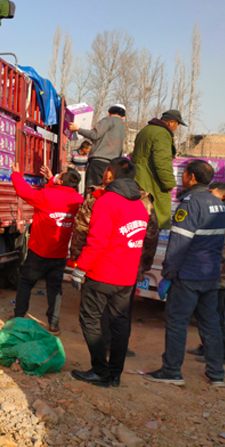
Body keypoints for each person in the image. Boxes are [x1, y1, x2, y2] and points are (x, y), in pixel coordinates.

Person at [143, 160, 225, 387]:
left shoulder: (190, 204)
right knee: (210, 322)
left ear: (191, 177)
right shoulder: (219, 204)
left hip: (189, 275)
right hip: (210, 274)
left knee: (177, 322)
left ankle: (171, 371)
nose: (181, 178)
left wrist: (168, 274)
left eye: (184, 174)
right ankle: (216, 373)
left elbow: (179, 243)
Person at [69, 158, 151, 387]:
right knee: (120, 324)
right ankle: (115, 374)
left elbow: (97, 241)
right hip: (127, 276)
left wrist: (80, 268)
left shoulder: (107, 201)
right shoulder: (140, 204)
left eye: (106, 170)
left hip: (103, 273)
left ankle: (100, 371)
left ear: (110, 174)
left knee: (90, 319)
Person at [10, 164, 83, 333]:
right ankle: (54, 323)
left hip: (39, 251)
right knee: (55, 289)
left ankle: (18, 316)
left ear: (61, 181)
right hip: (60, 253)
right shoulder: (78, 200)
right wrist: (52, 179)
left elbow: (24, 192)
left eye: (59, 175)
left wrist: (16, 174)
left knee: (26, 283)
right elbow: (61, 192)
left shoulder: (46, 196)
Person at [187, 181, 225, 365]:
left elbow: (219, 242)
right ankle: (207, 346)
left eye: (211, 192)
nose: (208, 195)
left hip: (224, 273)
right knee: (207, 312)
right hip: (217, 271)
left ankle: (221, 354)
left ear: (222, 195)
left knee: (215, 314)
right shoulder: (223, 210)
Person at [131, 110, 186, 229]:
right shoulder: (162, 134)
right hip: (152, 182)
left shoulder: (145, 130)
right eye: (177, 125)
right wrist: (169, 184)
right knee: (156, 220)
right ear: (171, 122)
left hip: (138, 180)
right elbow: (162, 162)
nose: (176, 128)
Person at [68, 105, 126, 189]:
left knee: (93, 190)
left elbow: (94, 135)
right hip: (113, 164)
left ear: (108, 113)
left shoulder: (108, 120)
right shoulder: (122, 127)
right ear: (123, 117)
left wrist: (78, 129)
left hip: (98, 163)